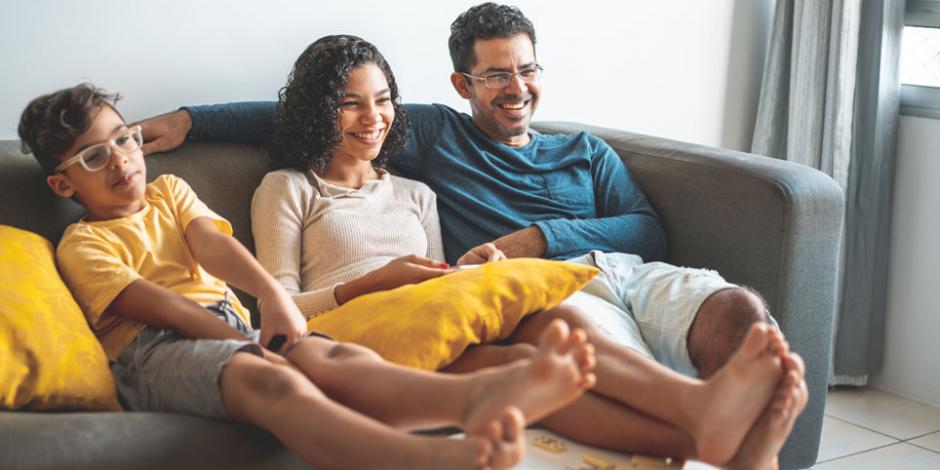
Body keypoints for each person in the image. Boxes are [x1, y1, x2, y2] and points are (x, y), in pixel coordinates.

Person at [138, 3, 809, 467]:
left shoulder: (433, 186)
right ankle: (703, 427)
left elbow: (642, 233)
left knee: (628, 326)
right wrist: (194, 119)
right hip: (421, 314)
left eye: (381, 101)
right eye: (496, 74)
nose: (371, 118)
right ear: (463, 84)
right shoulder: (314, 178)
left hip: (512, 291)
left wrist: (523, 245)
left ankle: (717, 429)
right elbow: (278, 306)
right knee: (531, 351)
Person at [17, 83, 600, 470]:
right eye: (95, 157)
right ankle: (432, 460)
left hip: (228, 325)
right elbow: (164, 311)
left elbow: (213, 247)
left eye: (125, 139)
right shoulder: (82, 243)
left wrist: (272, 298)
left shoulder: (170, 190)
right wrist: (253, 347)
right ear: (63, 185)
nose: (121, 160)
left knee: (337, 360)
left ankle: (473, 400)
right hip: (155, 353)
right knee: (273, 380)